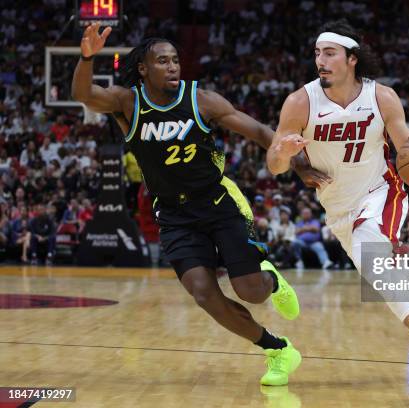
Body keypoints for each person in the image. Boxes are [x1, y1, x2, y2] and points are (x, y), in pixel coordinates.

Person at [71, 23, 326, 386]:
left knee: (251, 291)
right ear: (144, 69)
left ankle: (271, 280)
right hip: (174, 215)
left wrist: (296, 164)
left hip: (219, 202)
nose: (173, 66)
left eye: (175, 60)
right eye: (162, 61)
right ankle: (279, 350)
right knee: (204, 294)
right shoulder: (128, 103)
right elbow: (84, 93)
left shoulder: (201, 100)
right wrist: (86, 57)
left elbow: (258, 131)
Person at [267, 20, 409, 388]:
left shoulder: (381, 96)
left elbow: (408, 147)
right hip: (338, 209)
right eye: (316, 54)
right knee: (393, 276)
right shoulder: (300, 102)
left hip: (381, 193)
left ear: (352, 58)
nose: (320, 61)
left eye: (329, 53)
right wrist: (282, 153)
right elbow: (274, 165)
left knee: (373, 256)